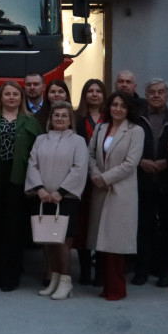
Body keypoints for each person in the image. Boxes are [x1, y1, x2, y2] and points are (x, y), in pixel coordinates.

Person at [0, 80, 42, 291]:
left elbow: (38, 153)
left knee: (13, 229)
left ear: (21, 98)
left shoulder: (31, 122)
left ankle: (10, 277)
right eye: (7, 94)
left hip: (18, 180)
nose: (11, 97)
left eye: (15, 94)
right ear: (0, 97)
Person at [24, 101, 88, 300]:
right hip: (44, 198)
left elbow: (79, 168)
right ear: (50, 119)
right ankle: (55, 278)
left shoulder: (78, 141)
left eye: (64, 115)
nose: (60, 118)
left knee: (63, 243)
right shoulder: (41, 140)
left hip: (65, 198)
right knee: (49, 241)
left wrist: (61, 191)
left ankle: (66, 281)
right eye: (56, 115)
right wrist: (40, 189)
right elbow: (32, 164)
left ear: (70, 119)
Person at [87, 91, 144, 301]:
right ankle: (103, 284)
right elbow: (90, 154)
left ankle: (117, 289)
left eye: (123, 106)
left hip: (121, 192)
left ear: (129, 109)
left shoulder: (136, 131)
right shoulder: (101, 127)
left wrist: (105, 178)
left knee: (115, 243)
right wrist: (95, 174)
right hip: (100, 190)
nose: (118, 109)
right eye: (114, 104)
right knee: (101, 242)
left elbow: (130, 163)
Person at [134, 78, 168, 288]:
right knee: (144, 227)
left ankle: (165, 272)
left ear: (167, 96)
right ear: (146, 94)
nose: (156, 95)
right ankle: (142, 270)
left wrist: (167, 162)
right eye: (152, 92)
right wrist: (140, 161)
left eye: (161, 92)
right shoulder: (137, 118)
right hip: (142, 181)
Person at [73, 78, 106, 284]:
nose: (94, 94)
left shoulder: (111, 119)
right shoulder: (77, 119)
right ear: (84, 95)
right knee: (83, 225)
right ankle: (84, 269)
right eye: (90, 91)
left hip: (104, 178)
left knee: (102, 224)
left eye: (98, 91)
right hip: (82, 179)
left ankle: (101, 271)